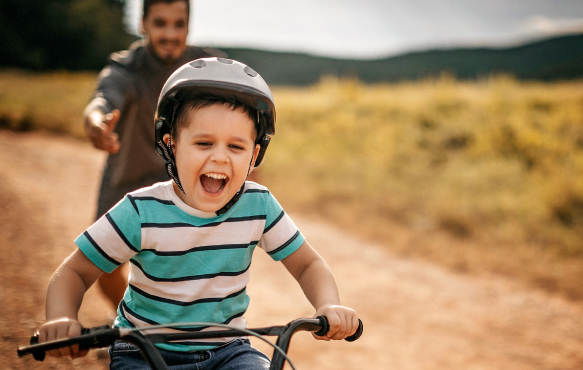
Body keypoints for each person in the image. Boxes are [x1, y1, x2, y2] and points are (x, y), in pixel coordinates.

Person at [37, 57, 360, 369]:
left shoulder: (258, 205)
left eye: (236, 147)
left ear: (254, 155)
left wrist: (328, 304)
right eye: (204, 143)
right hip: (143, 351)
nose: (220, 157)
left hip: (229, 350)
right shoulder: (141, 209)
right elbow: (74, 273)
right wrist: (62, 317)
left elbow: (307, 264)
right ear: (171, 144)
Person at [84, 0, 220, 310]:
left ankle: (178, 338)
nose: (170, 34)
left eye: (179, 24)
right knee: (104, 268)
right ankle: (138, 326)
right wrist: (96, 124)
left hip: (183, 183)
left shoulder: (206, 66)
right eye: (160, 23)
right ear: (143, 24)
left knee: (189, 268)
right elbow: (104, 99)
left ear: (188, 25)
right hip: (126, 180)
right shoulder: (127, 68)